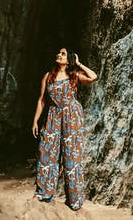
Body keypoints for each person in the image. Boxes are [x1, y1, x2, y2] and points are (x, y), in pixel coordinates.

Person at [32, 47, 98, 210]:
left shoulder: (73, 76)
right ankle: (45, 195)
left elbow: (93, 77)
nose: (59, 55)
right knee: (46, 153)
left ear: (69, 60)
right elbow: (41, 100)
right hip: (53, 116)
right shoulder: (48, 76)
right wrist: (35, 121)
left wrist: (79, 63)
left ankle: (74, 201)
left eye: (63, 54)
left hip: (72, 116)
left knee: (71, 157)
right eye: (58, 53)